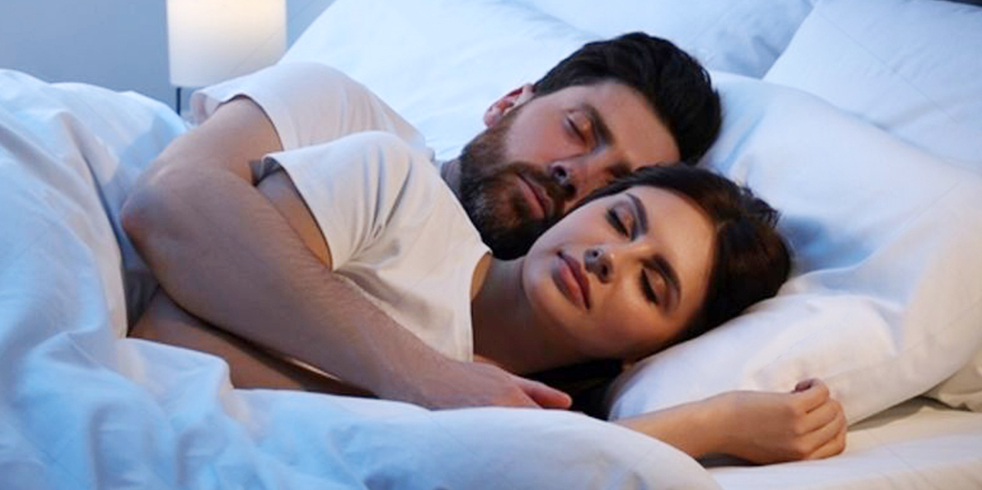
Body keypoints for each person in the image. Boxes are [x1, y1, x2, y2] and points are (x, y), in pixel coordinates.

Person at [129, 131, 846, 464]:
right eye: (620, 221)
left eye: (650, 283)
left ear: (650, 353)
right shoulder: (393, 188)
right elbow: (165, 337)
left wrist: (716, 421)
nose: (609, 257)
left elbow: (552, 469)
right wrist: (425, 385)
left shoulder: (541, 433)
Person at [122, 33, 751, 410]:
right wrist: (425, 382)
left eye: (612, 184)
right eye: (578, 130)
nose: (574, 174)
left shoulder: (503, 339)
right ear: (510, 101)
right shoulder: (352, 123)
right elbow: (172, 201)